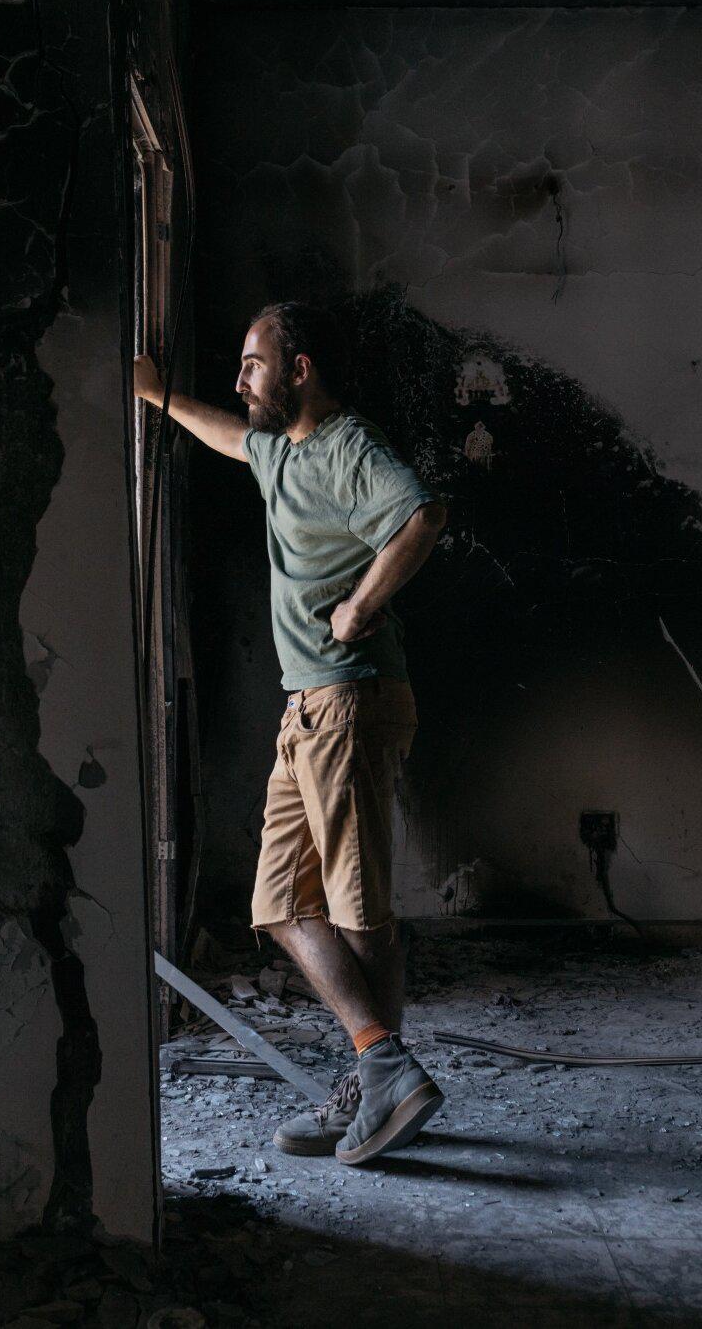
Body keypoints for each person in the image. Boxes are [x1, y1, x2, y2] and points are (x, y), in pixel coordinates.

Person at [132, 301, 448, 1165]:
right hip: (307, 707)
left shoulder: (348, 446)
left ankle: (378, 1079)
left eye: (253, 364)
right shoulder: (279, 452)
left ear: (299, 368)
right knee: (279, 901)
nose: (240, 380)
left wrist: (359, 606)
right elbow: (229, 436)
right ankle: (381, 1066)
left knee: (359, 914)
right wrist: (158, 398)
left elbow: (420, 516)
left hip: (350, 699)